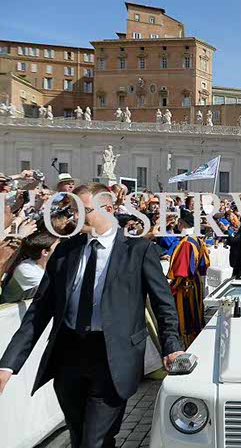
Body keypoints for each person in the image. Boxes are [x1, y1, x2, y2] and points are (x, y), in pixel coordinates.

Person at [0, 182, 183, 448]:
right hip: (68, 358)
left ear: (107, 209)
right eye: (72, 210)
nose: (75, 217)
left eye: (83, 210)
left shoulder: (138, 251)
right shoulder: (65, 251)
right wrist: (7, 365)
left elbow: (163, 303)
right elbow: (39, 310)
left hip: (114, 359)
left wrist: (172, 346)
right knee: (79, 438)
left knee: (94, 441)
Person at [167, 209, 210, 348]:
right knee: (196, 317)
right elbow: (203, 265)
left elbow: (182, 271)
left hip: (185, 287)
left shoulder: (186, 243)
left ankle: (189, 347)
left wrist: (171, 288)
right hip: (195, 282)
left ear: (180, 223)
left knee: (186, 320)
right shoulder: (197, 239)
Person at [0, 230, 59, 303]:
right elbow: (56, 287)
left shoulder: (52, 266)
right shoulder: (26, 269)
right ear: (45, 252)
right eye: (58, 246)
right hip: (7, 307)